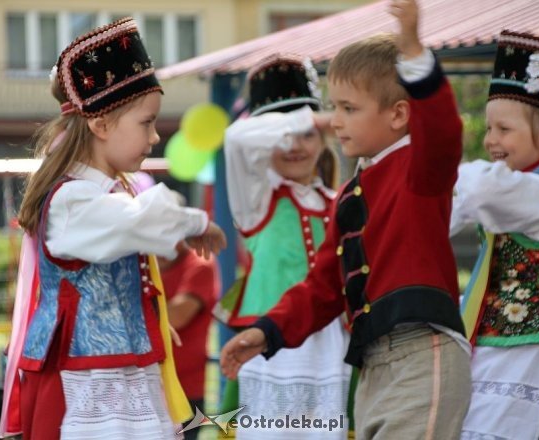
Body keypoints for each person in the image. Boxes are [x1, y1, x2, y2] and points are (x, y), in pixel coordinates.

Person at [221, 1, 472, 439]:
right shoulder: (351, 193)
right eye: (333, 108)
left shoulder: (420, 167)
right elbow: (323, 284)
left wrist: (415, 56)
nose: (334, 123)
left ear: (398, 115)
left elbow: (444, 130)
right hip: (373, 362)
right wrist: (268, 330)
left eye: (349, 109)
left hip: (421, 351)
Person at [0, 17, 226, 440]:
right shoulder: (74, 201)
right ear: (100, 125)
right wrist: (196, 221)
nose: (155, 137)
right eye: (146, 123)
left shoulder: (101, 197)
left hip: (120, 375)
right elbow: (142, 221)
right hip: (84, 389)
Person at [452, 30, 539, 440]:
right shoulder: (514, 191)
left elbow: (474, 189)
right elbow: (444, 214)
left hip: (533, 352)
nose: (491, 140)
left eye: (503, 129)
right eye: (489, 128)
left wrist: (435, 161)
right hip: (495, 346)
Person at [219, 53, 352, 439]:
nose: (295, 145)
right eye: (283, 136)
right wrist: (312, 120)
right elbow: (236, 138)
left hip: (330, 342)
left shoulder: (340, 200)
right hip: (270, 340)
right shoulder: (257, 198)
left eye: (308, 134)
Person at [159, 219, 221, 440]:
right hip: (149, 387)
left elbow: (178, 316)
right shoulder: (144, 266)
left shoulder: (199, 264)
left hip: (186, 389)